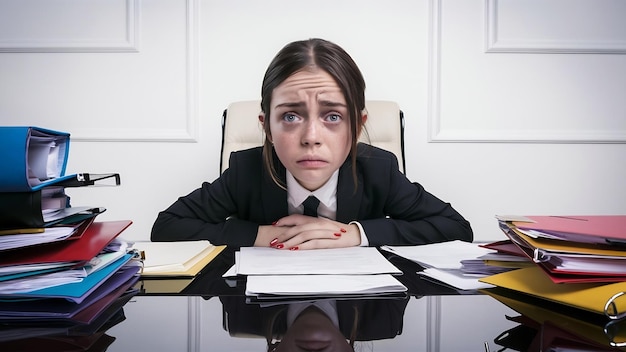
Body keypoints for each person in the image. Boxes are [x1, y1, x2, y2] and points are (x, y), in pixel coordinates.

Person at [151, 38, 473, 249]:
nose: (311, 137)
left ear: (357, 128)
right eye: (291, 117)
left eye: (332, 117)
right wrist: (263, 235)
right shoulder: (245, 171)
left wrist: (356, 235)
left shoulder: (378, 170)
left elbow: (456, 228)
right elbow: (166, 228)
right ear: (267, 128)